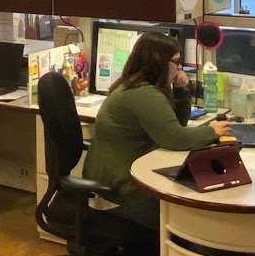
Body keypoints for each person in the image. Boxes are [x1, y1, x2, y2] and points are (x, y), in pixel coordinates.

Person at [82, 31, 232, 234]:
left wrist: (180, 90)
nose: (179, 68)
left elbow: (175, 124)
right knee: (192, 206)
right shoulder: (143, 94)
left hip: (114, 177)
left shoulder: (135, 86)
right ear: (159, 62)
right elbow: (175, 138)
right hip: (122, 189)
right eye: (176, 62)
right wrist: (211, 131)